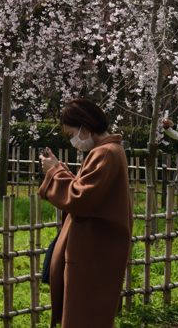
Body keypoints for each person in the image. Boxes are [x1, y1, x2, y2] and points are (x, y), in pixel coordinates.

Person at [39, 98, 133, 328]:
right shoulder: (105, 151)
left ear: (86, 126)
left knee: (84, 316)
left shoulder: (106, 153)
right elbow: (88, 193)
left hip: (93, 249)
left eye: (72, 134)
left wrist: (54, 173)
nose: (73, 140)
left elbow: (81, 198)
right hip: (96, 246)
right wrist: (60, 170)